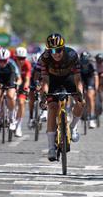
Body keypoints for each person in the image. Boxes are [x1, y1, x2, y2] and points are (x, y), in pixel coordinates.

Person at [38, 33, 84, 161]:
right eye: (52, 50)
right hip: (53, 81)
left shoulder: (72, 56)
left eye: (58, 50)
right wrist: (44, 97)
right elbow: (45, 80)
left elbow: (77, 78)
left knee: (81, 103)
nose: (55, 53)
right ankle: (51, 148)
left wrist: (79, 93)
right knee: (52, 108)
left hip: (69, 79)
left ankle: (73, 127)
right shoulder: (45, 58)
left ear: (63, 48)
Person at [0, 48, 21, 133]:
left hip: (10, 79)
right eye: (0, 60)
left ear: (8, 59)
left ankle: (12, 117)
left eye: (4, 61)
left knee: (10, 95)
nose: (2, 63)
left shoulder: (12, 65)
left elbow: (18, 78)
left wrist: (17, 84)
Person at [14, 47, 31, 137]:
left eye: (23, 58)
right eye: (19, 58)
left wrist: (26, 87)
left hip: (22, 84)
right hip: (12, 83)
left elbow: (27, 78)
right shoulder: (12, 63)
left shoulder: (27, 64)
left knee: (21, 103)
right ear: (15, 57)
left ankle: (18, 126)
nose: (21, 61)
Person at [79, 51, 98, 129]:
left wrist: (96, 88)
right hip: (81, 78)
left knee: (90, 96)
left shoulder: (92, 64)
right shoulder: (78, 64)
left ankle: (92, 117)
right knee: (79, 93)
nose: (84, 63)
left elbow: (96, 77)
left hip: (90, 78)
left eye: (86, 61)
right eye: (83, 61)